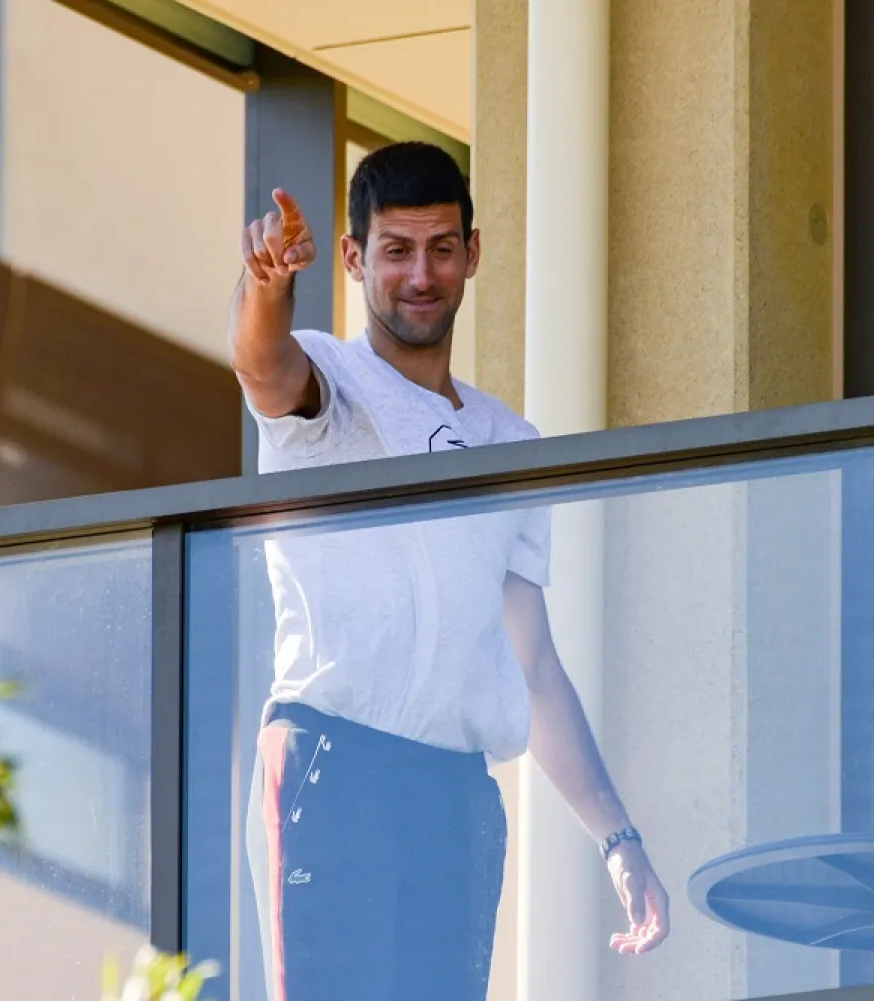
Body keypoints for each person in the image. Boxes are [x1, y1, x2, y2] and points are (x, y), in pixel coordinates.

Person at [231, 141, 668, 1001]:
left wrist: (618, 839)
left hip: (454, 796)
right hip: (332, 763)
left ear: (473, 251)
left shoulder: (512, 442)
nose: (420, 275)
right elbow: (262, 364)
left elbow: (532, 661)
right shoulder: (332, 380)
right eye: (395, 250)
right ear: (355, 259)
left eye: (440, 247)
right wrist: (268, 285)